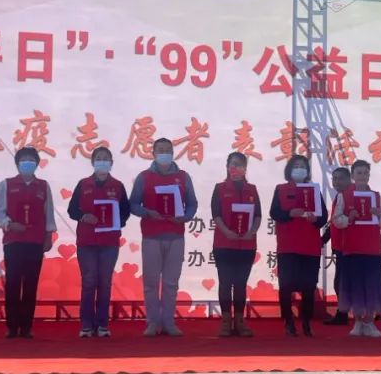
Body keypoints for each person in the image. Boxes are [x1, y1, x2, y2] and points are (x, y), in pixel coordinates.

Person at [130, 137, 198, 337]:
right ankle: (152, 322)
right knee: (151, 283)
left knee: (170, 283)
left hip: (175, 236)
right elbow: (132, 204)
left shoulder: (183, 177)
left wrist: (185, 217)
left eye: (168, 150)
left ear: (173, 153)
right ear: (153, 153)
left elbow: (192, 203)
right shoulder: (144, 177)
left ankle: (168, 322)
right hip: (151, 236)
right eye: (160, 150)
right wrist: (147, 212)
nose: (164, 153)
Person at [68, 146, 130, 338]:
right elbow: (72, 210)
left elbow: (125, 211)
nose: (102, 161)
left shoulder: (118, 186)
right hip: (87, 241)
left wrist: (116, 221)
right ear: (93, 162)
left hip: (109, 242)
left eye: (106, 158)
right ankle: (86, 325)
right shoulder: (83, 184)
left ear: (111, 163)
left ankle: (102, 324)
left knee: (105, 282)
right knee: (88, 281)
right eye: (99, 158)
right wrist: (83, 216)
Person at [0, 147, 55, 338]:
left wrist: (48, 236)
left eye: (31, 160)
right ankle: (12, 327)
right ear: (17, 163)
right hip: (13, 241)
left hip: (35, 241)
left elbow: (49, 213)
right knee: (12, 283)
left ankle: (26, 327)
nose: (27, 163)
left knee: (30, 284)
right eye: (24, 160)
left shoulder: (43, 186)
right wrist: (9, 224)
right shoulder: (7, 184)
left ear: (36, 164)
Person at [270, 155, 328, 336]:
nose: (299, 169)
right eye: (295, 166)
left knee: (309, 286)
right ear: (289, 170)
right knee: (286, 285)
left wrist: (316, 219)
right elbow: (275, 213)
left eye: (302, 166)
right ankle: (288, 321)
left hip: (310, 246)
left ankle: (306, 322)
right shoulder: (281, 189)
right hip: (288, 246)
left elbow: (323, 217)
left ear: (307, 171)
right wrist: (290, 213)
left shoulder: (314, 190)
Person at [334, 159, 381, 337]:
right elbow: (337, 220)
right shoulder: (343, 196)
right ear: (352, 175)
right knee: (355, 285)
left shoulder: (377, 197)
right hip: (352, 247)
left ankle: (370, 322)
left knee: (372, 285)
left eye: (366, 173)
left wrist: (379, 215)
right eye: (359, 173)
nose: (363, 176)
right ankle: (358, 322)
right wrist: (349, 218)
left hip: (372, 248)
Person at [212, 152, 262, 337]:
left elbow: (258, 215)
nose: (236, 168)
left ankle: (240, 322)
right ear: (227, 167)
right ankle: (226, 322)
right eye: (233, 164)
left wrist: (252, 231)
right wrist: (226, 232)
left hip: (246, 245)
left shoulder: (252, 189)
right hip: (224, 244)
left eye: (240, 164)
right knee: (225, 283)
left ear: (245, 168)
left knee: (240, 284)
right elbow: (216, 214)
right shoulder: (220, 188)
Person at [323, 166, 353, 326]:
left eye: (340, 178)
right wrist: (323, 240)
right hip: (340, 247)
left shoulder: (351, 197)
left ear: (349, 179)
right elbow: (333, 223)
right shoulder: (339, 197)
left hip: (349, 247)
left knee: (343, 283)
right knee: (341, 282)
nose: (336, 182)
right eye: (334, 179)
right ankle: (344, 313)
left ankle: (347, 313)